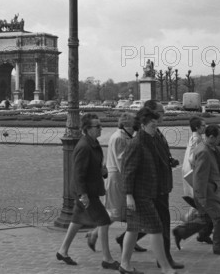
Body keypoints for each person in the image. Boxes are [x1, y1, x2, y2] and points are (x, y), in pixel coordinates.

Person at [56, 114, 119, 270]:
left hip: (88, 190)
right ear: (87, 129)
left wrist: (103, 171)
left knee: (77, 220)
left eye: (100, 125)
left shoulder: (93, 143)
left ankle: (62, 251)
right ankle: (107, 259)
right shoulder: (84, 146)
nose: (100, 128)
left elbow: (94, 167)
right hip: (86, 192)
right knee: (104, 220)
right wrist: (83, 195)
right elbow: (78, 174)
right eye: (97, 126)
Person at [120, 107, 177, 274]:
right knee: (156, 228)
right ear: (143, 125)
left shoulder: (149, 140)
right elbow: (128, 172)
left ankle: (124, 264)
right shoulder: (136, 143)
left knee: (133, 228)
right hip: (140, 194)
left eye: (156, 124)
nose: (156, 127)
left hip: (147, 192)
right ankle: (165, 267)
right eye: (153, 124)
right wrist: (129, 195)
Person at [141, 99, 184, 270]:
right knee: (161, 223)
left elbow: (160, 156)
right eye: (161, 112)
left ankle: (125, 241)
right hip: (156, 187)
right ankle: (165, 259)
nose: (164, 115)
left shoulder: (157, 133)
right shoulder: (147, 135)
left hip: (162, 185)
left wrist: (169, 160)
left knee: (155, 223)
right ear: (151, 113)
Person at [181, 124, 220, 256]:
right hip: (208, 192)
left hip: (213, 190)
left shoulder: (211, 148)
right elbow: (199, 178)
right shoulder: (204, 151)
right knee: (219, 218)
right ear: (211, 137)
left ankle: (181, 232)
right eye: (219, 137)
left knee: (207, 219)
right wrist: (201, 198)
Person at [103, 112, 147, 253]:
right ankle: (95, 234)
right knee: (117, 213)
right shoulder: (119, 138)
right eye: (134, 124)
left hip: (118, 178)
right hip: (119, 179)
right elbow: (123, 162)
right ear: (126, 125)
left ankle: (131, 239)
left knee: (124, 213)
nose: (136, 127)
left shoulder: (122, 136)